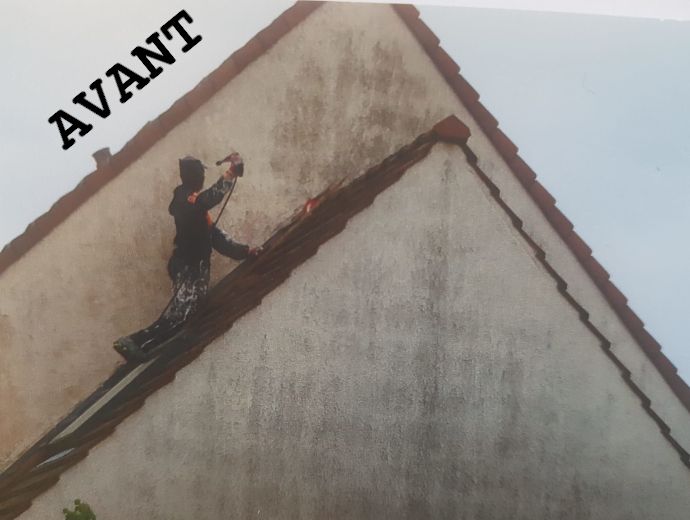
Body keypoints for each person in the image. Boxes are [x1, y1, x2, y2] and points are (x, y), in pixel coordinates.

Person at [113, 153, 260, 362]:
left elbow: (216, 238)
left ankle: (143, 347)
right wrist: (229, 175)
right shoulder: (185, 198)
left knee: (185, 313)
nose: (202, 178)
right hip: (188, 266)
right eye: (200, 174)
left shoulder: (195, 206)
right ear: (196, 176)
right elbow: (206, 200)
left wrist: (245, 251)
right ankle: (133, 343)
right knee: (180, 313)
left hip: (193, 267)